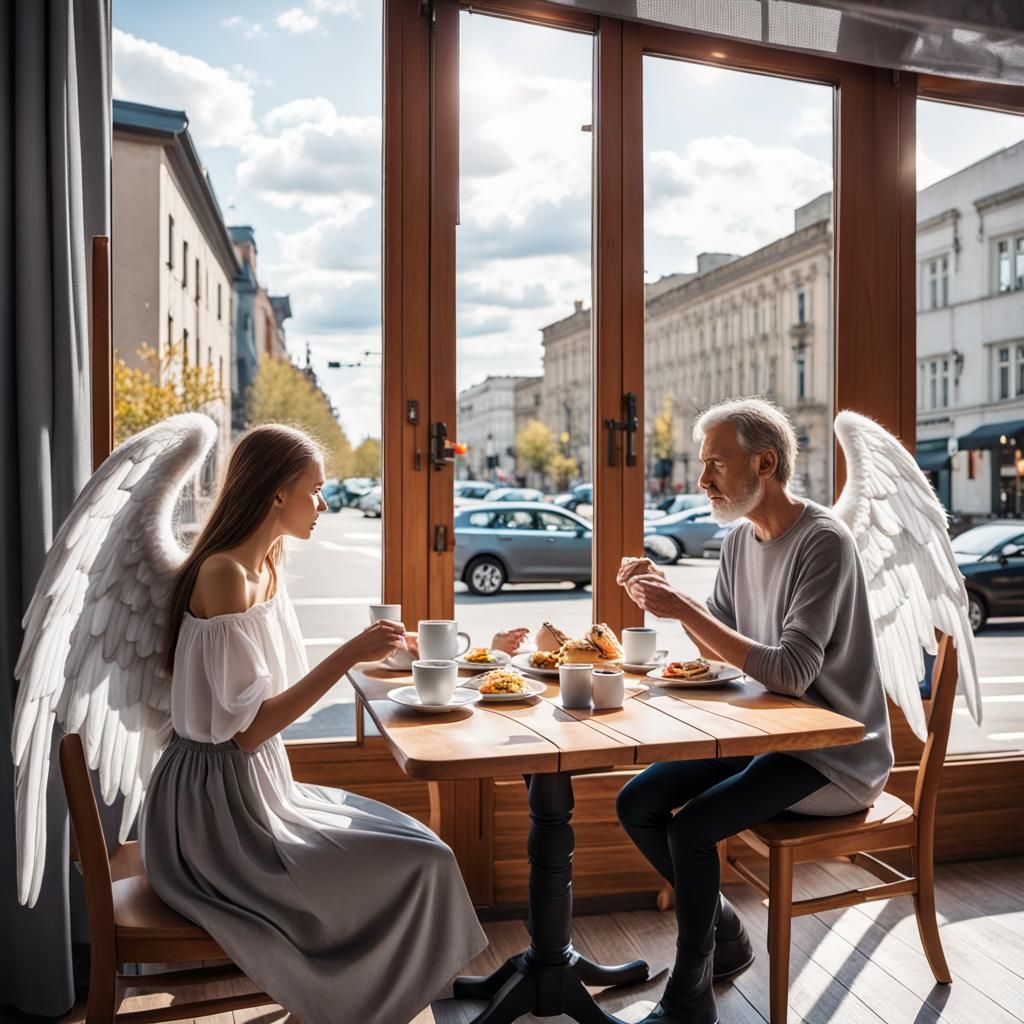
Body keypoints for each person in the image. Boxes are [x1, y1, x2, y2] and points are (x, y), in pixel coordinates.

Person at [139, 424, 487, 1024]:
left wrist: (381, 651)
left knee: (424, 848)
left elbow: (270, 695)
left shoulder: (266, 567)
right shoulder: (223, 574)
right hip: (216, 813)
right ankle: (365, 1003)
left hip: (258, 788)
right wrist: (351, 653)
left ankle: (398, 993)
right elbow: (247, 731)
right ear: (278, 493)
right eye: (316, 490)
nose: (324, 505)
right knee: (422, 860)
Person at [616, 398, 894, 1024]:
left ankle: (690, 994)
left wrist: (683, 608)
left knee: (691, 829)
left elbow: (793, 673)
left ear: (765, 464)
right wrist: (668, 599)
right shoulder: (741, 539)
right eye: (703, 464)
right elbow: (718, 645)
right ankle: (727, 935)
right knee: (638, 802)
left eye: (715, 464)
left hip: (836, 755)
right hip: (771, 737)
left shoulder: (823, 541)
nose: (702, 479)